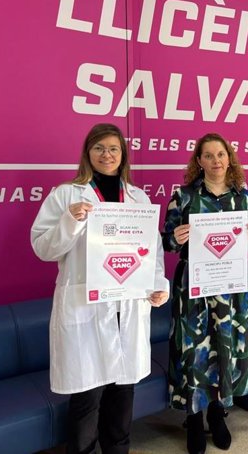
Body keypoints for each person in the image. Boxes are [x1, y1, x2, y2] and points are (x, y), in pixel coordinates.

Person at [30, 123, 169, 454]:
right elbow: (42, 248)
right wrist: (71, 221)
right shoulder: (66, 195)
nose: (107, 155)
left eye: (114, 149)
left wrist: (157, 285)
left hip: (129, 308)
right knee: (87, 401)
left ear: (123, 156)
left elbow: (153, 252)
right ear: (87, 153)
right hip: (87, 310)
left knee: (122, 400)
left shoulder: (138, 197)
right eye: (99, 148)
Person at [162, 133, 248, 454]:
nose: (217, 160)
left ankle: (218, 413)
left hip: (233, 288)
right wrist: (176, 238)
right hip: (194, 287)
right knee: (194, 351)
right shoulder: (184, 197)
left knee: (227, 348)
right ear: (199, 161)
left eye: (222, 154)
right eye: (209, 155)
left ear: (229, 158)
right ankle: (193, 418)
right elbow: (166, 243)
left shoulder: (244, 198)